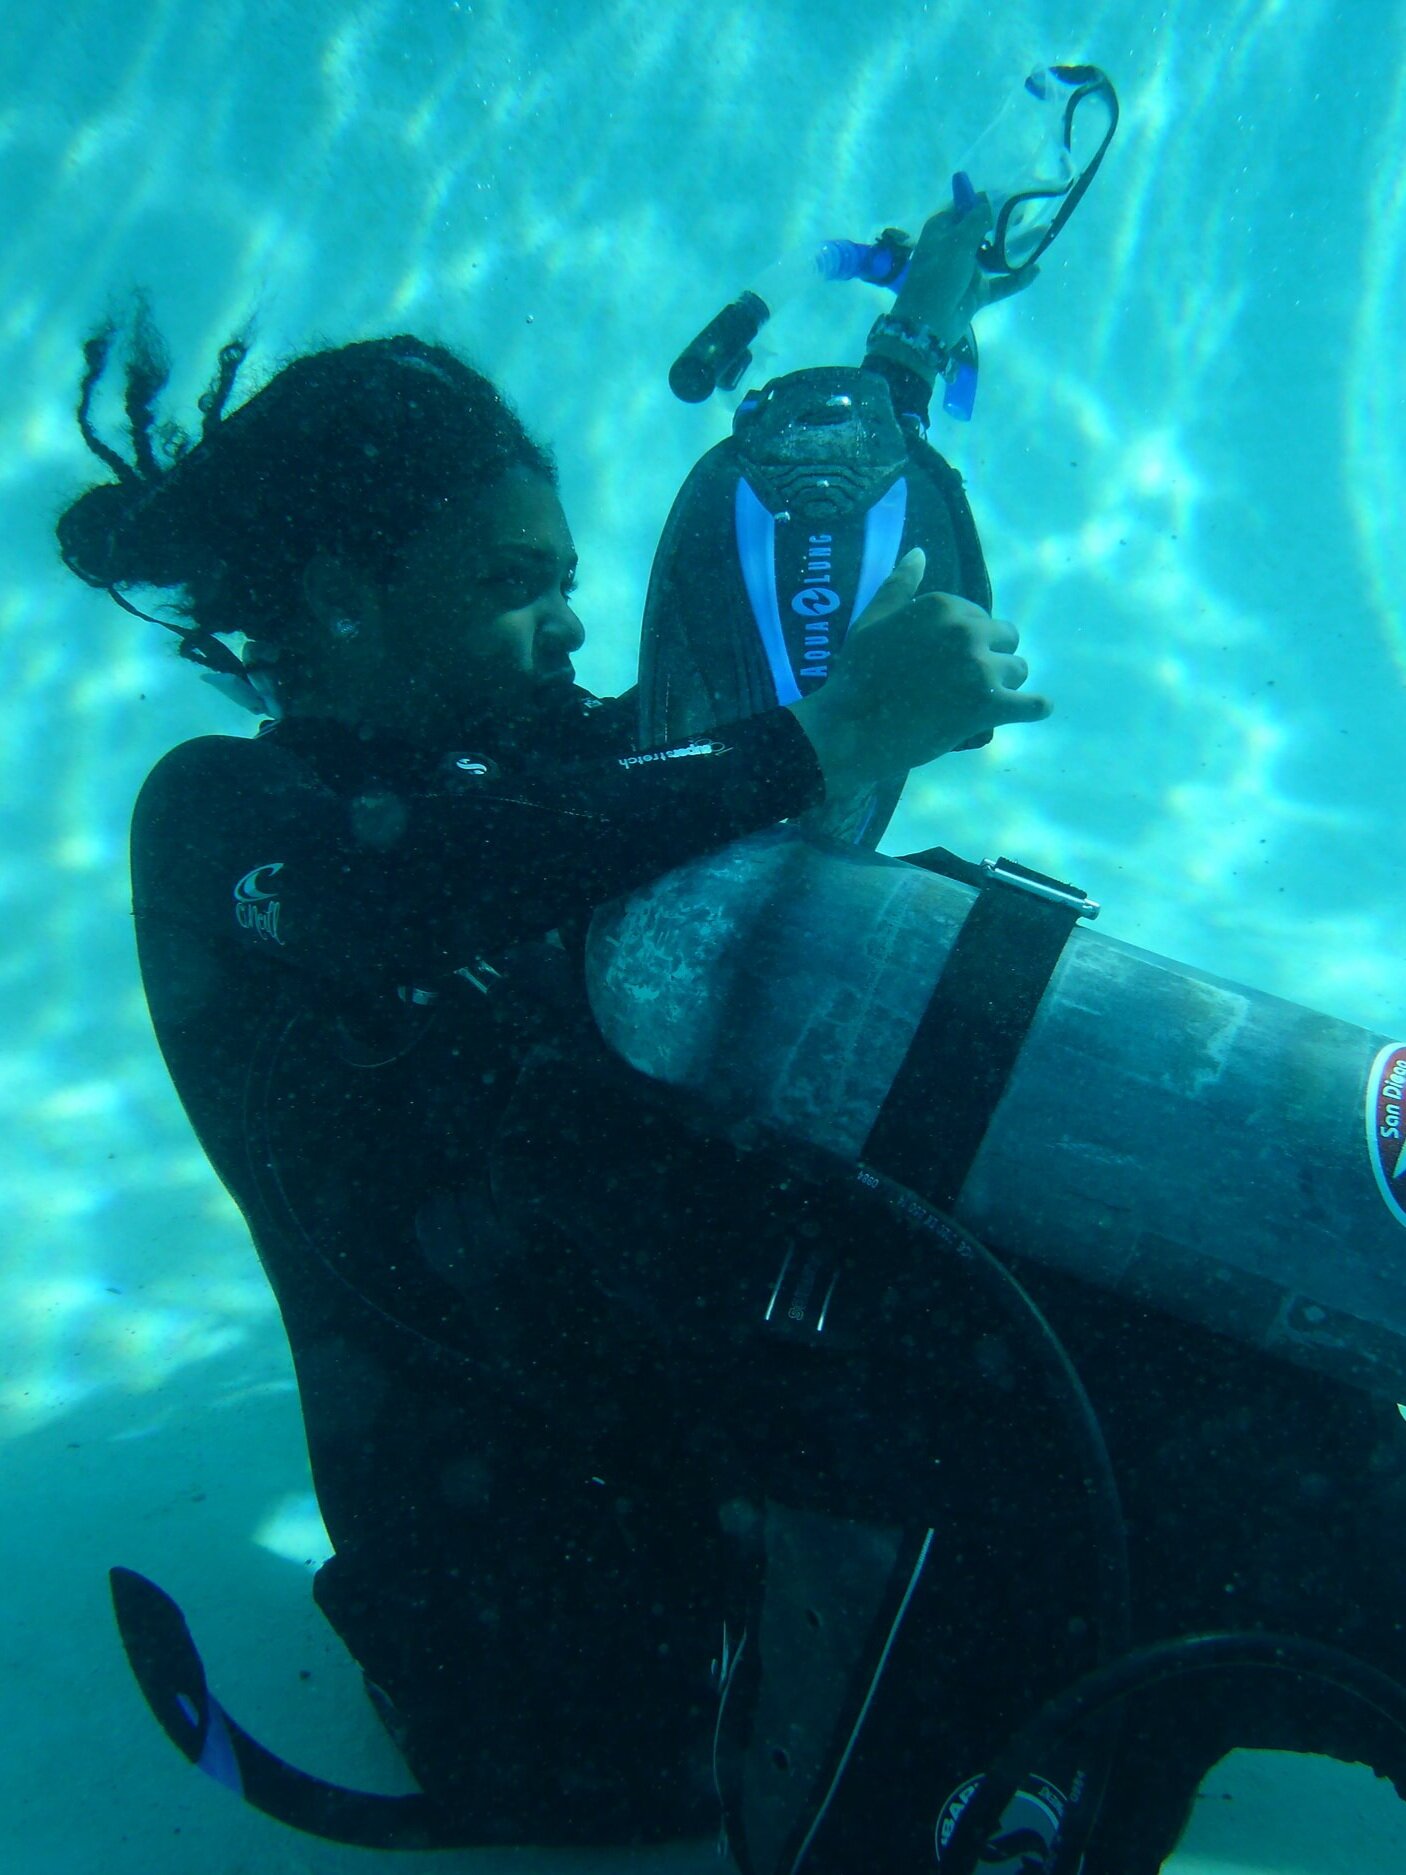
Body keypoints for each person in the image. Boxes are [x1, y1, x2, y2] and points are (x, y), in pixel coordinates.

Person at [60, 208, 1406, 1870]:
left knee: (1279, 1434)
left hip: (710, 1454)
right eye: (512, 586)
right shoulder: (225, 822)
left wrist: (903, 356)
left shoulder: (543, 773)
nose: (562, 628)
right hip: (566, 1643)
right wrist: (829, 730)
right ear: (342, 594)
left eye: (564, 583)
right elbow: (428, 890)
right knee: (1206, 1480)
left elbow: (728, 695)